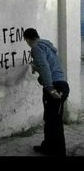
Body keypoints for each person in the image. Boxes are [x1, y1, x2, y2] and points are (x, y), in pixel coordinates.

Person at [23, 28, 70, 156]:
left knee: (54, 122)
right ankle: (47, 146)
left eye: (26, 40)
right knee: (49, 119)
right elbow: (48, 66)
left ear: (27, 39)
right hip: (61, 84)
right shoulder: (47, 47)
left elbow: (45, 67)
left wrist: (50, 88)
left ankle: (59, 152)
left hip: (55, 87)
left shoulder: (36, 48)